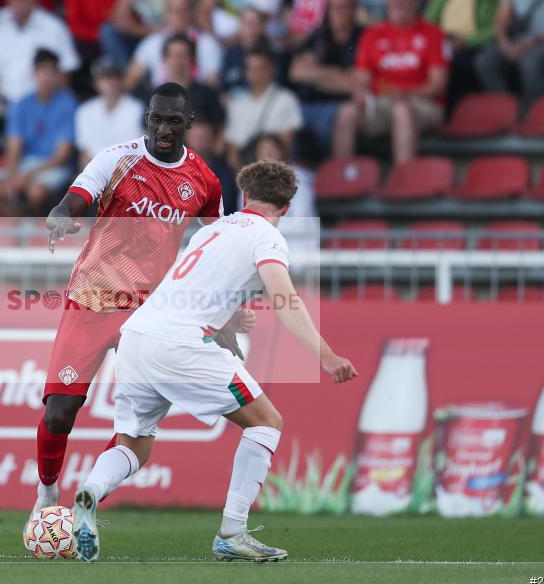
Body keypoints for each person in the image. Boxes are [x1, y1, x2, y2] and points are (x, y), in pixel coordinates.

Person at [69, 159, 357, 562]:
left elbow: (196, 288)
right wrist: (326, 355)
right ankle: (232, 533)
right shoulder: (267, 237)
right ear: (288, 208)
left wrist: (224, 329)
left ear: (244, 196)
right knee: (267, 422)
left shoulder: (216, 229)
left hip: (137, 335)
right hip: (180, 343)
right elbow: (284, 297)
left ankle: (90, 493)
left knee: (134, 444)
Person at [32, 82, 254, 520]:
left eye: (174, 120)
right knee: (60, 414)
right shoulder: (117, 158)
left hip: (152, 312)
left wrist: (221, 317)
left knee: (135, 428)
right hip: (93, 297)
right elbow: (76, 198)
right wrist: (60, 216)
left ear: (189, 123)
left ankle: (90, 497)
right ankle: (46, 494)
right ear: (146, 118)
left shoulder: (205, 181)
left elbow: (218, 248)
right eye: (157, 119)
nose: (164, 129)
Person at [333, 0, 449, 165]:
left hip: (424, 104)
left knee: (401, 110)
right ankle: (342, 178)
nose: (399, 4)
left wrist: (406, 93)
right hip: (382, 103)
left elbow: (438, 85)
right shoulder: (372, 34)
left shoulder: (433, 33)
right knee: (347, 112)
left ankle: (404, 180)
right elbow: (361, 79)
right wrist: (360, 94)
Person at [0, 0, 80, 153]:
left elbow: (65, 71)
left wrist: (48, 103)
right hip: (6, 105)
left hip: (41, 105)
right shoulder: (0, 29)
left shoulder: (53, 27)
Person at [0, 49, 77, 216]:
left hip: (52, 166)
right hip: (25, 164)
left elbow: (62, 156)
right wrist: (11, 174)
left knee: (36, 193)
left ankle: (36, 232)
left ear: (57, 76)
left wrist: (25, 176)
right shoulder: (22, 104)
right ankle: (21, 227)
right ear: (34, 73)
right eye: (42, 72)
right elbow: (13, 146)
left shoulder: (67, 103)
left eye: (51, 73)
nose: (46, 78)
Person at [288, 0, 362, 156]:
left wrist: (315, 74)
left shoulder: (361, 37)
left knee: (346, 114)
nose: (338, 13)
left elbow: (354, 84)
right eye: (334, 8)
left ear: (354, 10)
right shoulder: (320, 35)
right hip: (306, 103)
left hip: (339, 105)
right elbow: (297, 71)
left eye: (343, 8)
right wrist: (335, 75)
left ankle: (340, 174)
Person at [474, 0, 544, 114]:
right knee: (485, 61)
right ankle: (502, 109)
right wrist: (503, 42)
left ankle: (531, 112)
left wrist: (530, 43)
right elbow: (501, 20)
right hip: (519, 43)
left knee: (529, 61)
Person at [224, 45, 302, 168]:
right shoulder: (236, 103)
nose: (256, 73)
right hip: (246, 175)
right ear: (246, 72)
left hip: (277, 171)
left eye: (260, 68)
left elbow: (285, 146)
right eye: (251, 69)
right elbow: (233, 151)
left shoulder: (286, 99)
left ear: (271, 69)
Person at [124, 0, 222, 91]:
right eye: (174, 11)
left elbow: (212, 82)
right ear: (166, 14)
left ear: (191, 13)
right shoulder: (152, 42)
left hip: (194, 100)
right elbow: (131, 79)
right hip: (160, 100)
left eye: (183, 11)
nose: (179, 16)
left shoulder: (207, 43)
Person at [424, 0, 498, 116]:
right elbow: (428, 22)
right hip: (443, 40)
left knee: (454, 64)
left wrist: (467, 42)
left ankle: (452, 115)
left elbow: (495, 29)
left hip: (474, 44)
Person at [249, 133, 319, 248]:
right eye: (263, 150)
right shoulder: (249, 186)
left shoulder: (298, 179)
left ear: (282, 154)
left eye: (272, 150)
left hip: (299, 251)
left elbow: (302, 223)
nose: (268, 154)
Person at [75, 56, 145, 167]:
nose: (109, 82)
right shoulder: (84, 111)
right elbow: (84, 154)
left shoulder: (136, 108)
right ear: (95, 83)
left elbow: (134, 151)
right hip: (94, 172)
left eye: (113, 77)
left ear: (121, 79)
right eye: (103, 78)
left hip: (126, 171)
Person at [160, 33, 224, 127]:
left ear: (192, 58)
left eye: (182, 55)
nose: (178, 61)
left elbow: (219, 126)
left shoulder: (207, 93)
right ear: (165, 59)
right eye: (174, 55)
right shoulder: (156, 96)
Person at [186, 117, 238, 213]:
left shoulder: (224, 172)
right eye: (195, 136)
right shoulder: (176, 166)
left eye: (203, 137)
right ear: (187, 138)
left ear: (212, 139)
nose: (199, 141)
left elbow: (226, 207)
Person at [99, 0, 167, 71]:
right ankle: (124, 74)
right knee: (108, 31)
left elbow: (175, 19)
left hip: (168, 35)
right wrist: (150, 32)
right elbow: (121, 21)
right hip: (144, 36)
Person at [220, 6, 271, 93]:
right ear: (241, 26)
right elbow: (222, 88)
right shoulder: (230, 55)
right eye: (248, 23)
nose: (252, 29)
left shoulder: (271, 54)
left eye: (256, 24)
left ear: (262, 27)